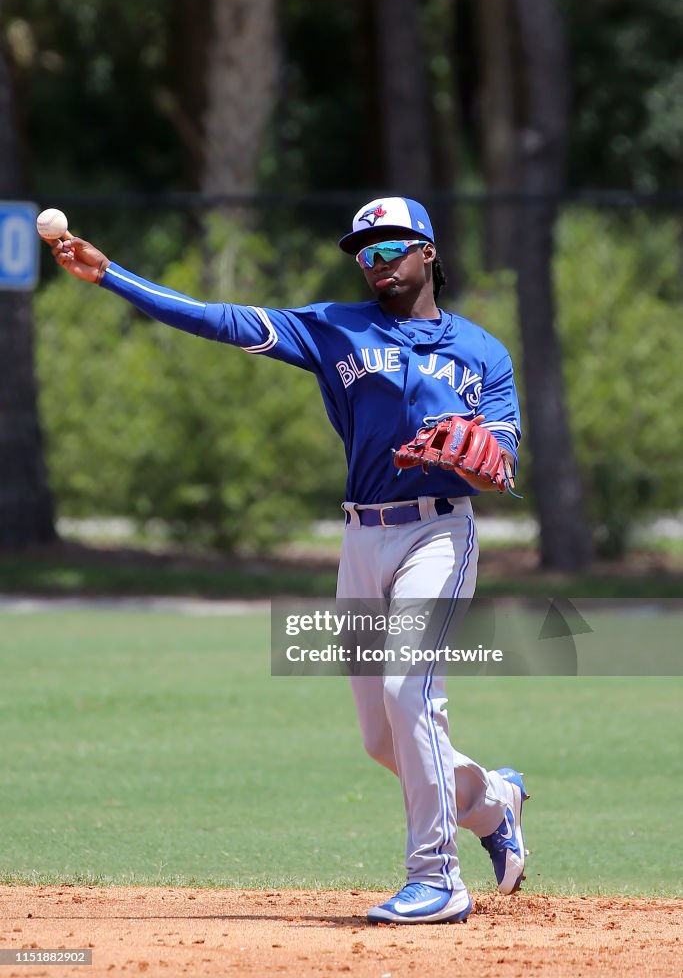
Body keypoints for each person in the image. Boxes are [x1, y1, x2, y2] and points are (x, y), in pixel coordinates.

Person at [47, 195, 528, 925]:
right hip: (361, 538)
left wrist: (483, 464)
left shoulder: (483, 352)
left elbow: (502, 460)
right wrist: (112, 274)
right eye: (364, 252)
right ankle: (493, 802)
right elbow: (217, 318)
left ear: (428, 251)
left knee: (409, 694)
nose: (376, 263)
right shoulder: (334, 328)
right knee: (380, 737)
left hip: (437, 534)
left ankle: (436, 879)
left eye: (390, 247)